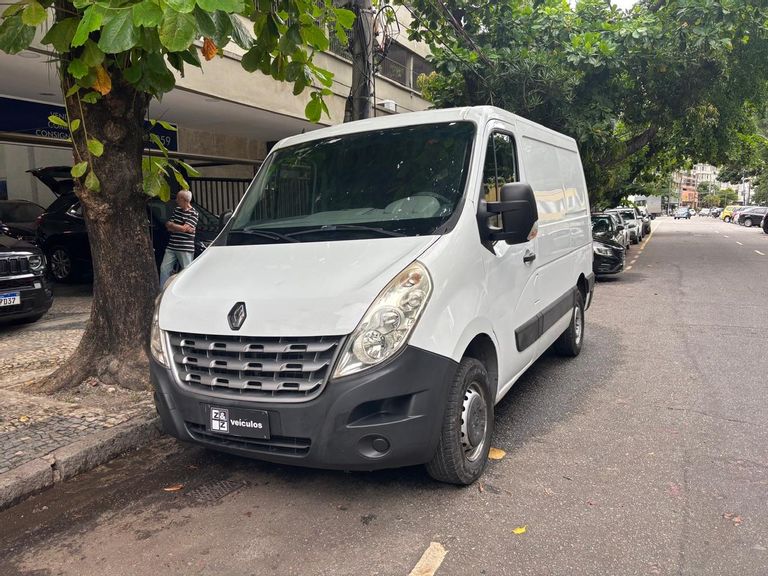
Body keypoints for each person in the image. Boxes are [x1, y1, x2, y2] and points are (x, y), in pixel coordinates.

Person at [159, 189, 198, 288]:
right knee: (164, 269)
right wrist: (180, 227)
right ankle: (162, 291)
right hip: (172, 245)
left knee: (187, 271)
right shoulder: (177, 210)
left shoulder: (194, 213)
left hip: (185, 247)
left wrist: (175, 226)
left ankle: (187, 289)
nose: (176, 200)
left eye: (178, 198)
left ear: (184, 199)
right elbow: (169, 226)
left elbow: (184, 228)